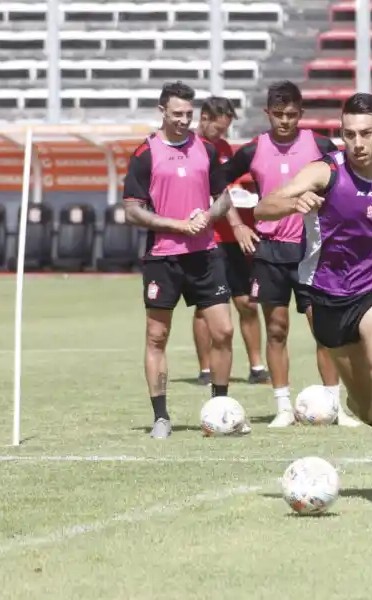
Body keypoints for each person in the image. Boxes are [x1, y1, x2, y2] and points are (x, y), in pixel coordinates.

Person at [254, 92, 372, 508]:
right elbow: (264, 208)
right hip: (328, 294)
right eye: (349, 134)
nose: (357, 143)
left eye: (366, 133)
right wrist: (292, 203)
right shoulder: (323, 172)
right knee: (359, 398)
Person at [221, 80, 361, 428]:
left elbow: (350, 176)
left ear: (301, 114)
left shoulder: (320, 144)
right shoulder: (253, 149)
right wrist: (238, 224)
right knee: (277, 329)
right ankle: (283, 407)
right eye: (279, 115)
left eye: (292, 115)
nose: (285, 121)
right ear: (267, 113)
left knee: (324, 329)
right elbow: (214, 182)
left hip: (313, 250)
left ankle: (335, 406)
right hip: (270, 251)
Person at [123, 81, 236, 439]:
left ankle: (221, 411)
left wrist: (208, 214)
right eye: (177, 114)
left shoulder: (206, 148)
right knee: (157, 336)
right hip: (163, 258)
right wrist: (175, 224)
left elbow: (224, 199)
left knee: (224, 331)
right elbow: (131, 211)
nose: (185, 120)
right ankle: (161, 417)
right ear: (162, 112)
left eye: (189, 114)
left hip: (205, 255)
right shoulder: (145, 154)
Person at [192, 96, 270, 385]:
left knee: (248, 302)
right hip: (207, 238)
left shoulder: (223, 149)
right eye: (218, 129)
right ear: (204, 119)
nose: (222, 135)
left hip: (234, 239)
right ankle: (205, 369)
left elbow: (227, 188)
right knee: (206, 306)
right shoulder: (191, 149)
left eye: (225, 130)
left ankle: (257, 366)